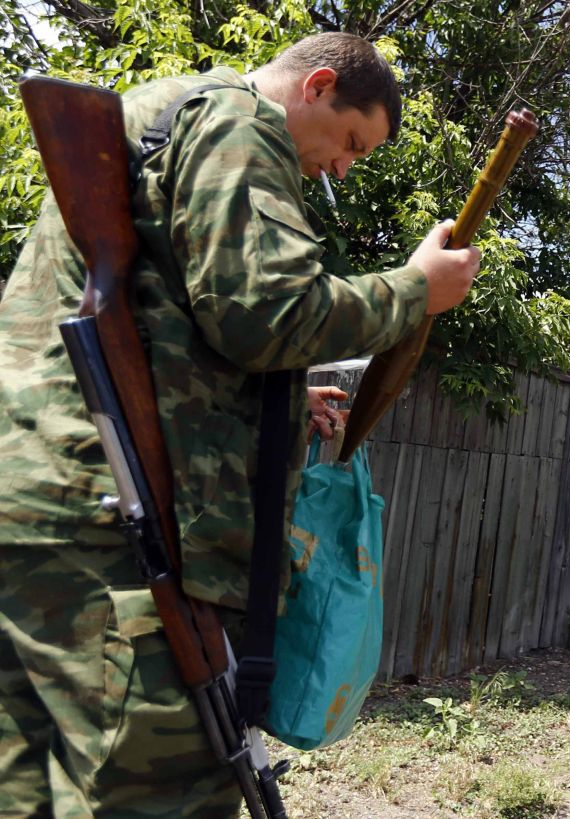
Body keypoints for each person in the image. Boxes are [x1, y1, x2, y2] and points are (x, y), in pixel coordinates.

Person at [0, 33, 479, 817]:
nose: (343, 168)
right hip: (111, 534)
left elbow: (177, 322)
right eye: (351, 142)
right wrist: (412, 291)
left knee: (31, 788)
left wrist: (284, 409)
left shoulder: (163, 106)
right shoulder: (240, 122)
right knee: (163, 788)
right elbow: (267, 312)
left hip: (39, 505)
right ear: (316, 86)